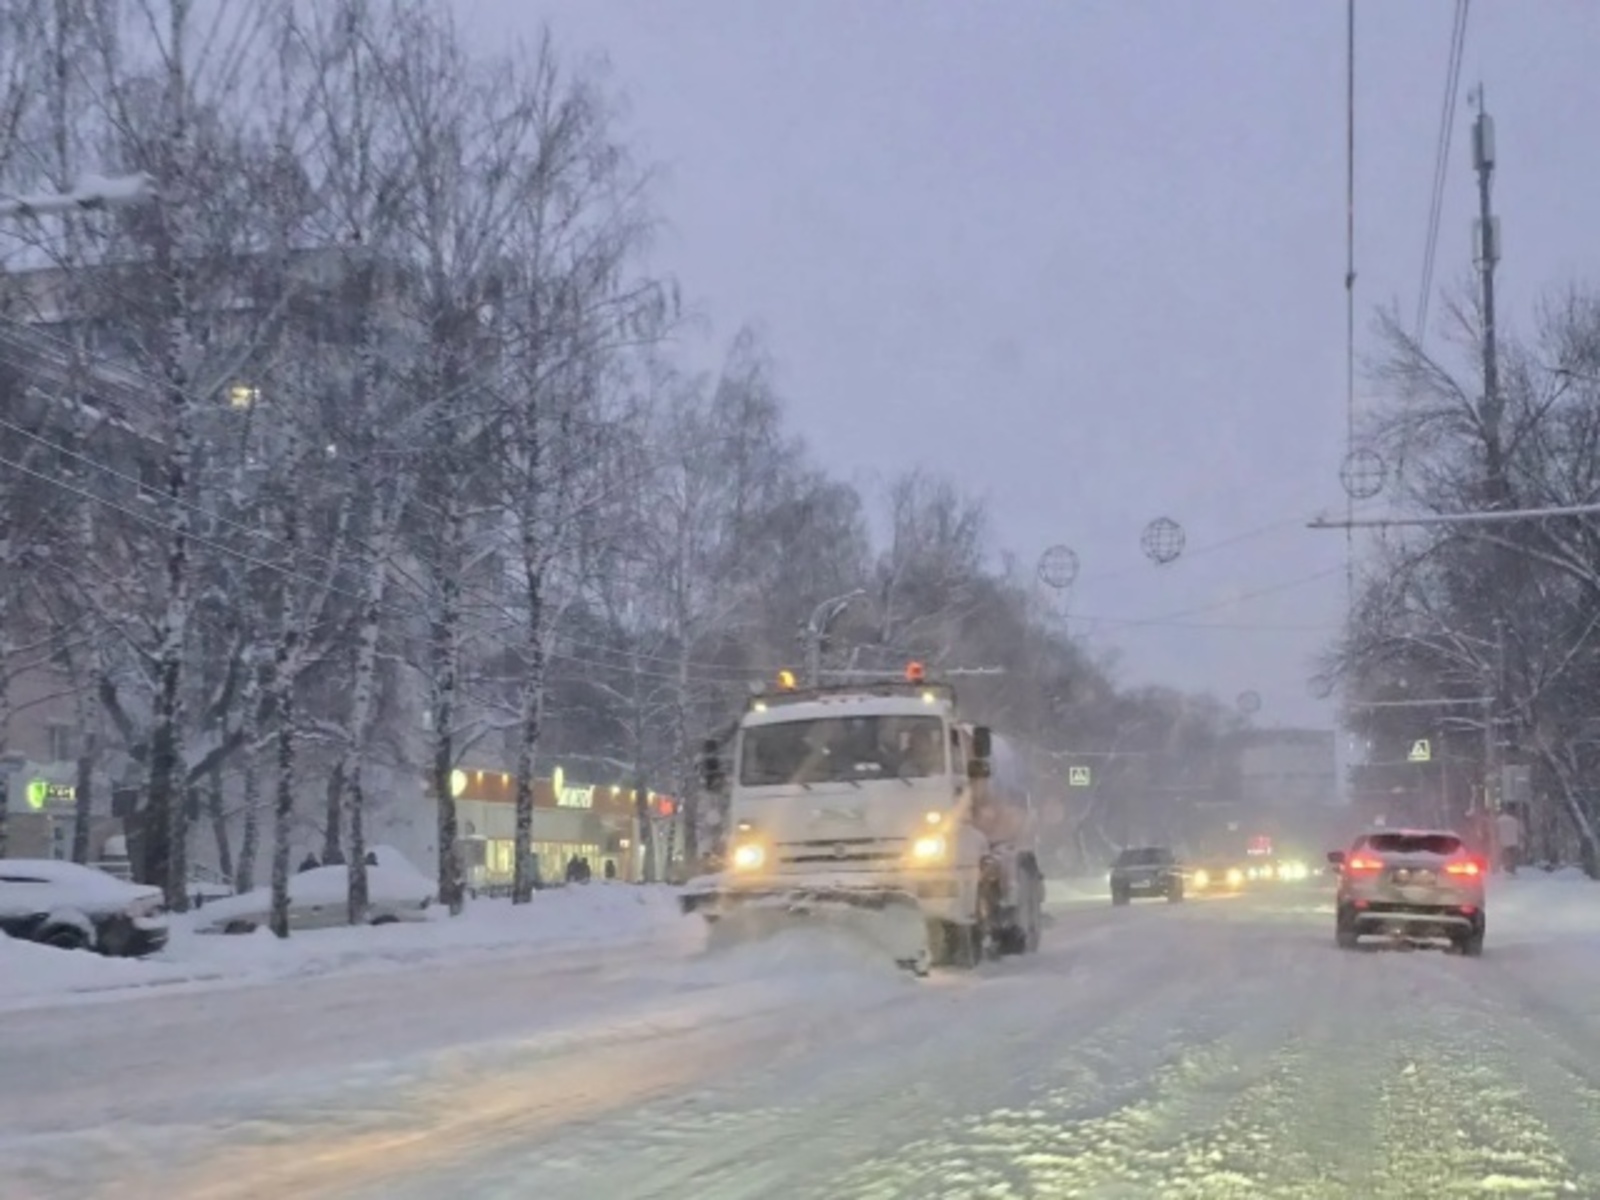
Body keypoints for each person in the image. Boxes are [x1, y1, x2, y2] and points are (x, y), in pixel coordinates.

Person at [1495, 806, 1523, 875]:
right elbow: (1520, 831)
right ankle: (1512, 868)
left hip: (1502, 841)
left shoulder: (1498, 820)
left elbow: (1496, 831)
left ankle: (1506, 867)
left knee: (1504, 856)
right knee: (1512, 855)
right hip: (1513, 841)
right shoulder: (1515, 820)